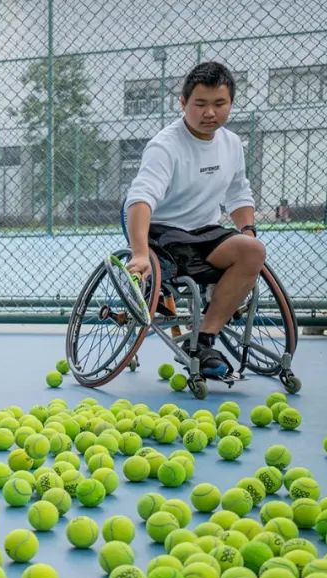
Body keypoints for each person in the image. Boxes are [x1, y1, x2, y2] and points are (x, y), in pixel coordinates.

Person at [125, 62, 265, 379]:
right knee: (175, 258)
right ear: (183, 103)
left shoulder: (231, 143)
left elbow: (239, 193)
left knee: (253, 251)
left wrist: (248, 231)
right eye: (200, 104)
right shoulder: (165, 146)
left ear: (230, 103)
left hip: (207, 232)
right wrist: (139, 253)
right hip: (164, 234)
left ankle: (202, 340)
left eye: (219, 104)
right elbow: (140, 199)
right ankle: (197, 317)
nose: (210, 113)